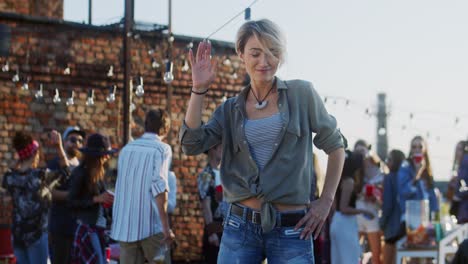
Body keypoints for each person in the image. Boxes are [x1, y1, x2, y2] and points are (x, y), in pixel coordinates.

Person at [180, 19, 346, 263]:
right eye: (255, 53)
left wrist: (326, 201)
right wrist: (198, 90)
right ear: (241, 54)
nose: (264, 61)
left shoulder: (302, 95)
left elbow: (336, 145)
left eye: (273, 53)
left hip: (293, 228)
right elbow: (191, 144)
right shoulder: (229, 110)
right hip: (239, 228)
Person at [111, 109, 175, 264]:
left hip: (125, 226)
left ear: (145, 126)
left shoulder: (126, 150)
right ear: (165, 129)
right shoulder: (162, 149)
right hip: (151, 226)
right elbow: (160, 188)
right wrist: (166, 228)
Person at [2, 131, 69, 264]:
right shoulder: (41, 176)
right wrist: (59, 147)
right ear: (35, 154)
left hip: (18, 236)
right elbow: (66, 173)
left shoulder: (10, 178)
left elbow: (9, 174)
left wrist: (19, 159)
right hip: (37, 236)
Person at [68, 133, 117, 264]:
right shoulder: (81, 173)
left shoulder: (100, 173)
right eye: (104, 154)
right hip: (86, 228)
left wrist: (108, 201)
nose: (107, 157)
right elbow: (71, 202)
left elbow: (101, 199)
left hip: (99, 228)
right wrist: (96, 199)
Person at [47, 126, 86, 264]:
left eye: (80, 141)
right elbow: (48, 192)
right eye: (73, 140)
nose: (77, 143)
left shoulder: (82, 166)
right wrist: (71, 196)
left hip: (79, 227)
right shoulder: (55, 164)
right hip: (61, 227)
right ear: (64, 142)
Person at [330, 150, 374, 264]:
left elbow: (335, 205)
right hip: (345, 224)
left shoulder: (339, 180)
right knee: (349, 259)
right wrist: (364, 211)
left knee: (338, 260)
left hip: (337, 222)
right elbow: (344, 208)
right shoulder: (349, 181)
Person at [353, 140, 384, 264]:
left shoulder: (377, 170)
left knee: (376, 253)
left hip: (372, 214)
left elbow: (384, 196)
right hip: (357, 214)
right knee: (355, 252)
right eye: (357, 152)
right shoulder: (354, 170)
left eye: (363, 152)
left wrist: (375, 197)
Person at [397, 136, 439, 224]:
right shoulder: (405, 166)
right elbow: (403, 192)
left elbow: (432, 197)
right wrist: (417, 173)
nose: (417, 150)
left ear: (425, 149)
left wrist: (436, 221)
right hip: (410, 217)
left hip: (426, 217)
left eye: (420, 147)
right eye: (414, 147)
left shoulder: (427, 169)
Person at [198, 143, 226, 264]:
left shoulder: (227, 174)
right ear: (211, 149)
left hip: (228, 231)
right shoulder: (206, 175)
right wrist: (211, 232)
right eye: (219, 146)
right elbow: (206, 206)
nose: (223, 149)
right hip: (215, 230)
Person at [379, 149, 406, 264]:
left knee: (388, 260)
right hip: (404, 226)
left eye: (389, 159)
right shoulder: (405, 177)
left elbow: (388, 205)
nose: (386, 162)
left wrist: (382, 223)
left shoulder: (389, 178)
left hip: (392, 227)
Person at [452, 140, 468, 223]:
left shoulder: (465, 162)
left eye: (460, 149)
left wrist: (457, 195)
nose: (457, 152)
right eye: (457, 149)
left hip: (464, 211)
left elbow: (464, 187)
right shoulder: (458, 167)